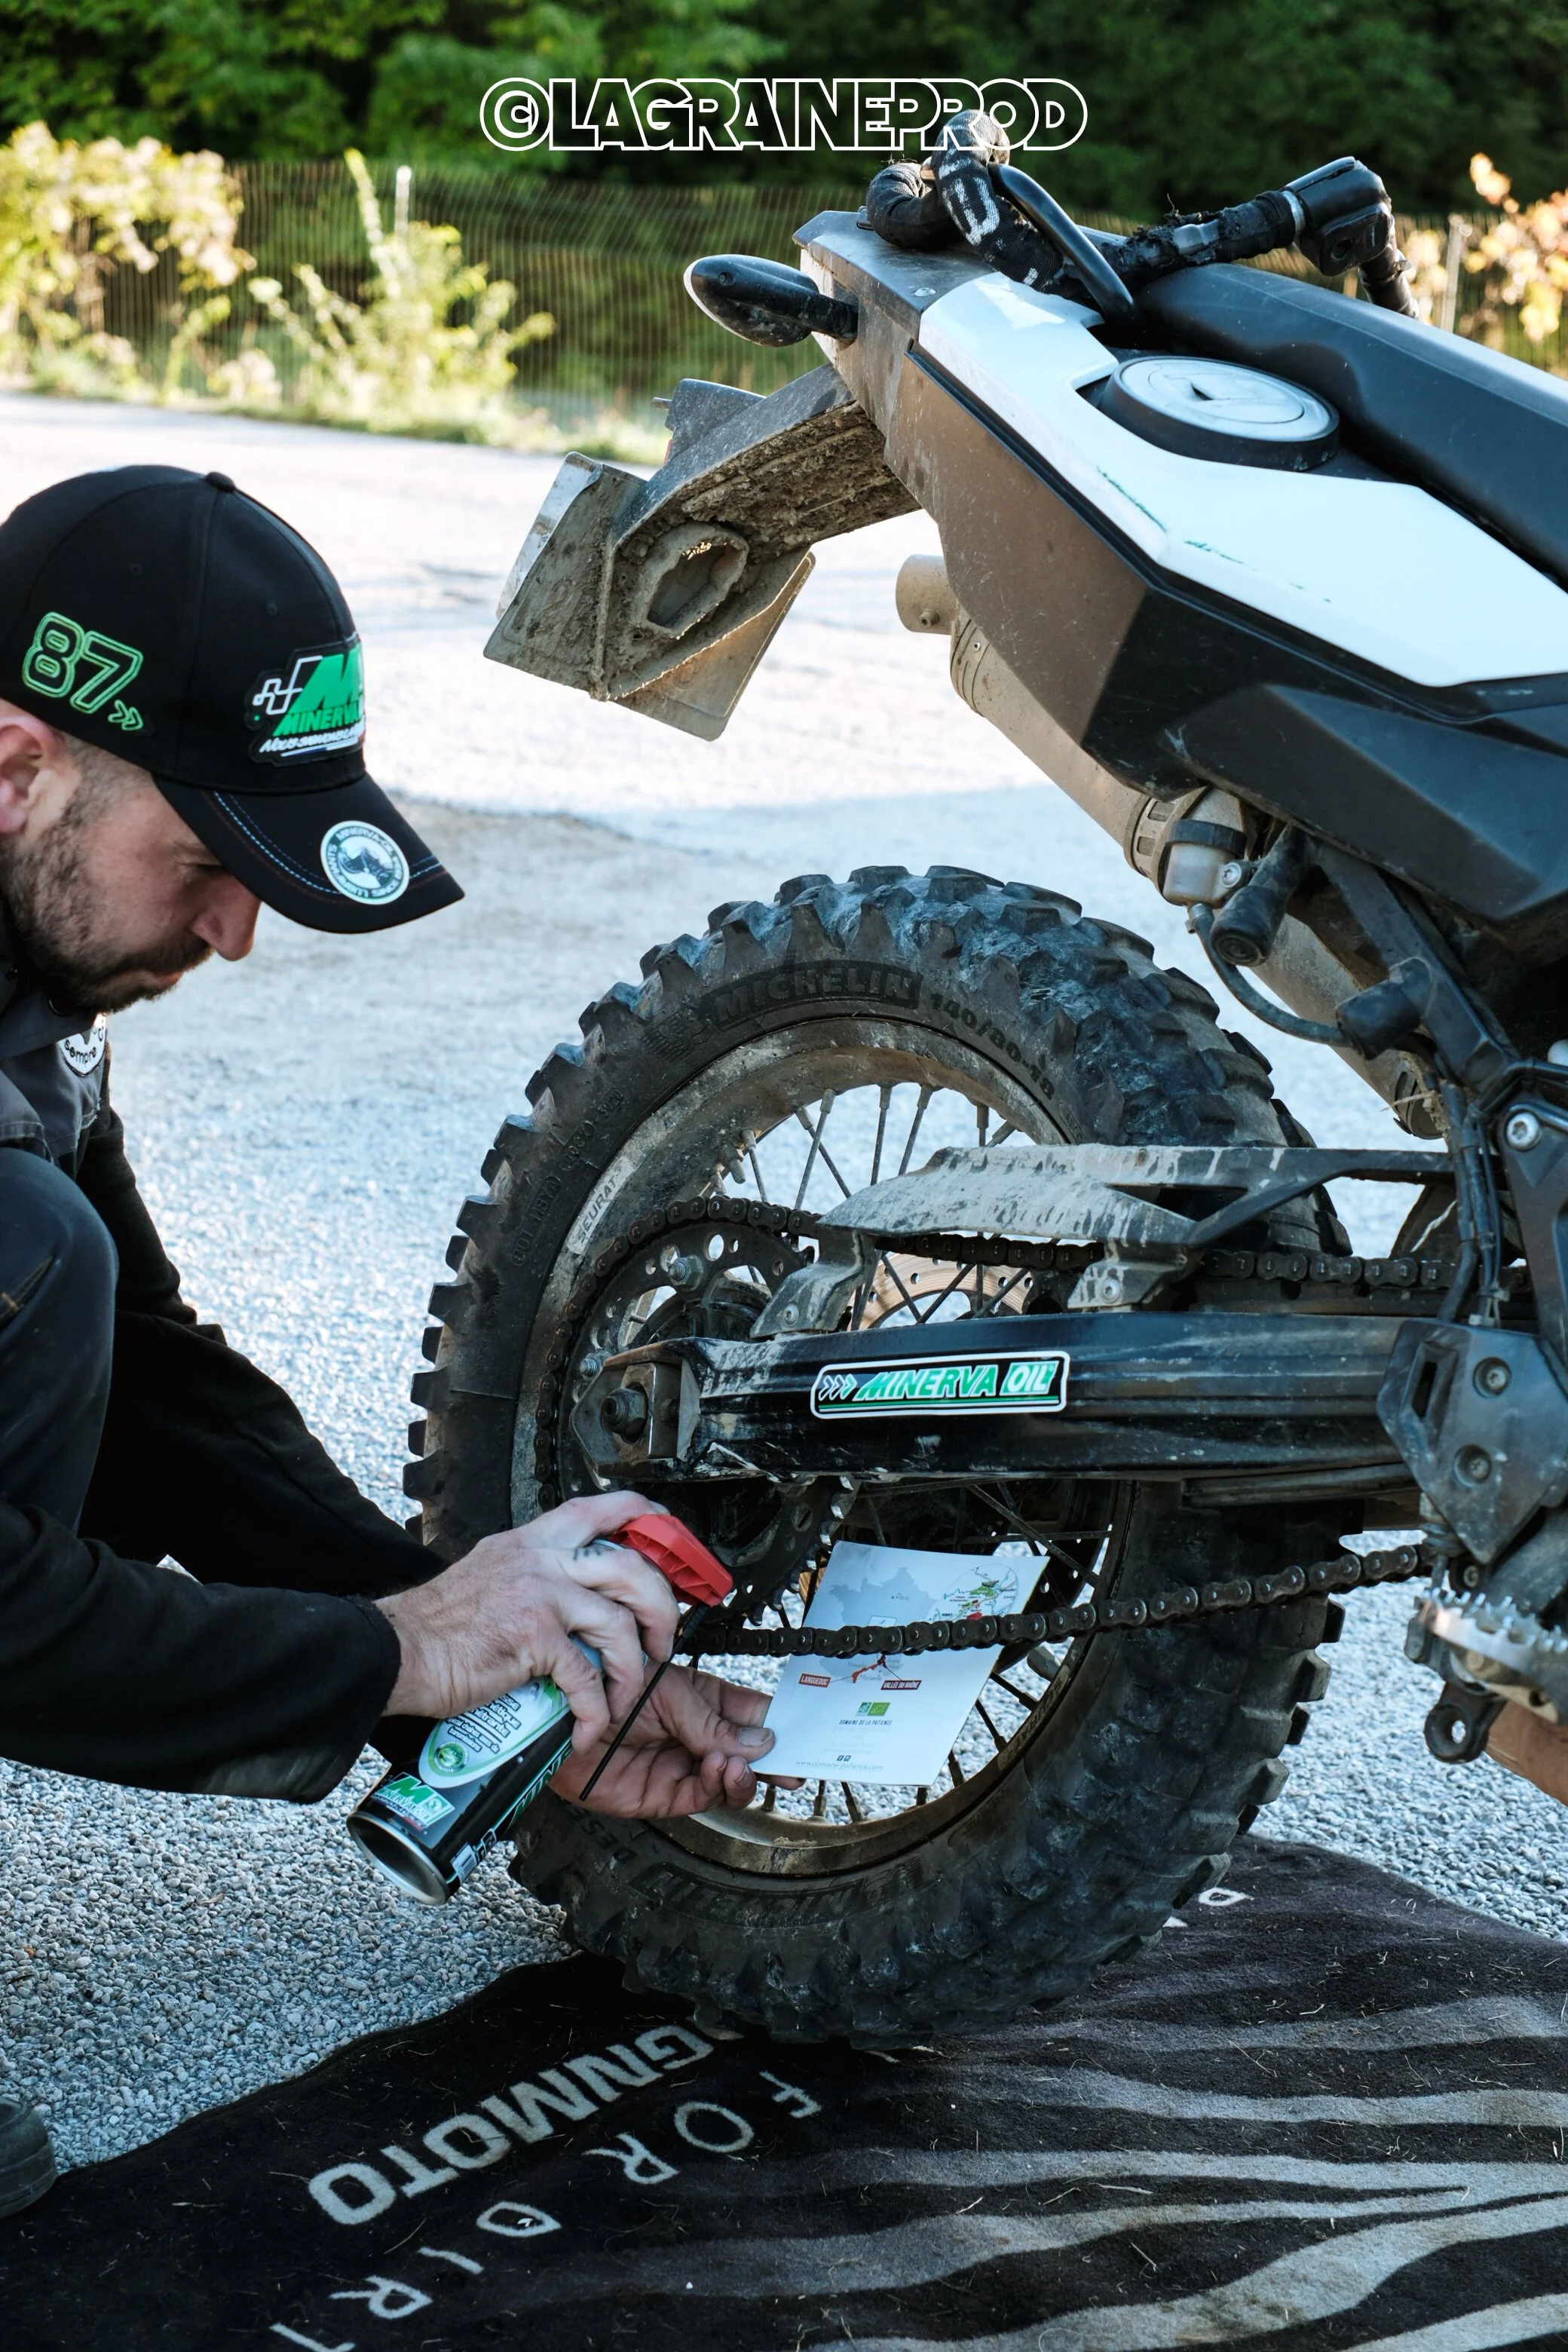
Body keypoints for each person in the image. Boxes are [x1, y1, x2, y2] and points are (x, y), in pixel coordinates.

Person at [0, 466, 779, 2219]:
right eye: (207, 862)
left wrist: (473, 1663)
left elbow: (164, 1389)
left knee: (62, 1274)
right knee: (26, 1254)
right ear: (17, 770)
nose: (236, 931)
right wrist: (390, 1654)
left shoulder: (27, 972)